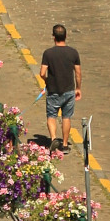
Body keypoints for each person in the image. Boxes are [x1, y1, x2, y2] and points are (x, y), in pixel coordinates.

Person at [40, 24, 82, 154]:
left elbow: (42, 73)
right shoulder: (73, 52)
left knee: (51, 116)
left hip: (53, 90)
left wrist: (47, 80)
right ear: (66, 36)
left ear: (53, 37)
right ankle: (64, 145)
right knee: (66, 117)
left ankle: (53, 138)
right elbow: (78, 73)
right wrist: (78, 88)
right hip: (69, 90)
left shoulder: (48, 53)